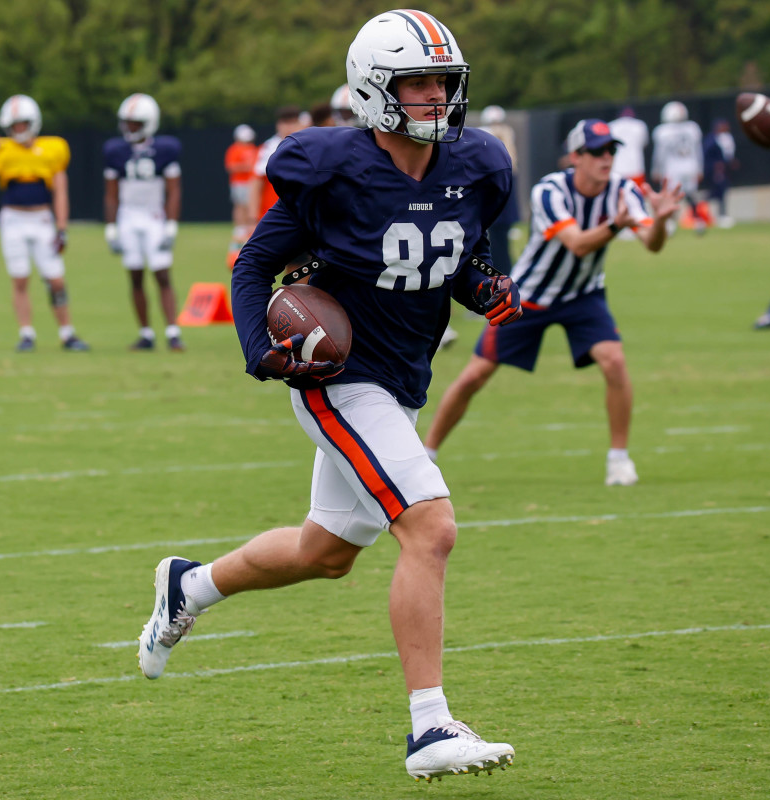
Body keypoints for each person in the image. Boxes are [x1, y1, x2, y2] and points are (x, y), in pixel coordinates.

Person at [136, 9, 520, 782]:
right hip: (336, 376)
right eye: (417, 82)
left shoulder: (475, 165)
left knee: (327, 552)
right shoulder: (331, 169)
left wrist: (485, 288)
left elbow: (454, 258)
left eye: (443, 83)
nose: (434, 98)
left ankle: (190, 585)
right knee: (431, 528)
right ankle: (429, 728)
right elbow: (252, 266)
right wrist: (258, 351)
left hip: (404, 375)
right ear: (374, 89)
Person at [423, 119, 682, 487]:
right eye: (596, 151)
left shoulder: (624, 191)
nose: (606, 158)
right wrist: (615, 226)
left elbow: (651, 244)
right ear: (575, 157)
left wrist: (660, 222)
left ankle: (619, 460)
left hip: (583, 294)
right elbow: (576, 243)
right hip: (531, 297)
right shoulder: (550, 191)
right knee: (475, 375)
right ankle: (427, 453)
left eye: (611, 150)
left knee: (614, 362)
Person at [0, 94, 89, 352]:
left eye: (22, 124)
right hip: (13, 219)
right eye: (14, 125)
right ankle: (26, 333)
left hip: (42, 218)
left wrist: (62, 227)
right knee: (20, 278)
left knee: (56, 278)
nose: (18, 130)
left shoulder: (54, 148)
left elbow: (60, 190)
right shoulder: (2, 150)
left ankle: (66, 332)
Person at [102, 93, 185, 351]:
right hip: (128, 217)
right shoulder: (115, 151)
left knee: (162, 274)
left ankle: (172, 332)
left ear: (149, 122)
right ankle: (146, 334)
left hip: (154, 217)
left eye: (135, 122)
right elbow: (112, 192)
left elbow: (173, 190)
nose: (129, 127)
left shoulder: (165, 149)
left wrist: (171, 224)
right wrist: (111, 227)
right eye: (127, 122)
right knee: (135, 276)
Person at [652, 101, 709, 234]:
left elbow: (659, 155)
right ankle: (698, 222)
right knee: (691, 196)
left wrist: (656, 170)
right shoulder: (692, 128)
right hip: (690, 166)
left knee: (671, 198)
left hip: (673, 168)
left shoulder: (662, 131)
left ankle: (670, 225)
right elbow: (698, 151)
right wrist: (700, 169)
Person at [247, 105, 306, 229]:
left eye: (293, 122)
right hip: (274, 215)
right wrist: (253, 218)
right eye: (286, 123)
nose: (290, 127)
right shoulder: (269, 148)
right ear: (279, 125)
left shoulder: (307, 145)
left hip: (301, 214)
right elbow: (256, 183)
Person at [479, 105, 520, 274]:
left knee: (501, 237)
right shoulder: (484, 134)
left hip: (503, 192)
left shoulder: (507, 134)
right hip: (492, 192)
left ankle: (503, 270)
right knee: (494, 238)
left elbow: (511, 163)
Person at [225, 124, 258, 266]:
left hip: (251, 181)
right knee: (240, 205)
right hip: (239, 182)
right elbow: (231, 166)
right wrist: (245, 166)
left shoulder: (253, 149)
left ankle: (248, 228)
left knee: (248, 204)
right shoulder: (234, 149)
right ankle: (240, 228)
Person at [703, 118, 737, 228]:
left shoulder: (727, 138)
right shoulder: (711, 140)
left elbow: (727, 154)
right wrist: (715, 165)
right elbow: (707, 154)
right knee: (717, 191)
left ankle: (720, 214)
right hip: (714, 170)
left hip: (724, 170)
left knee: (721, 191)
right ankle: (702, 210)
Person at [608, 106, 649, 193]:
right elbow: (644, 144)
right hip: (635, 168)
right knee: (637, 198)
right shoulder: (640, 125)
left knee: (616, 198)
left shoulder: (611, 126)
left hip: (616, 169)